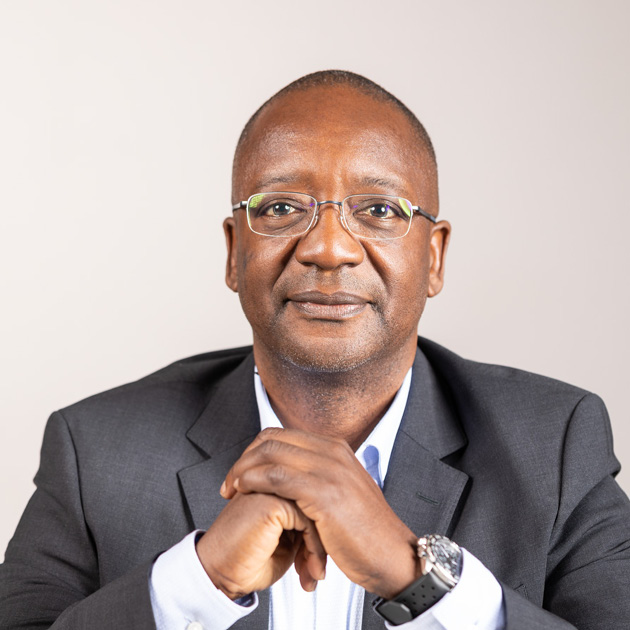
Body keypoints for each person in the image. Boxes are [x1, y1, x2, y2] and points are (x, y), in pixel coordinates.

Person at [1, 70, 629, 630]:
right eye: (280, 207)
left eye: (379, 209)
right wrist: (197, 583)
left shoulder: (554, 446)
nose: (329, 248)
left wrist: (420, 580)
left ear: (434, 257)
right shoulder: (95, 452)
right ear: (233, 252)